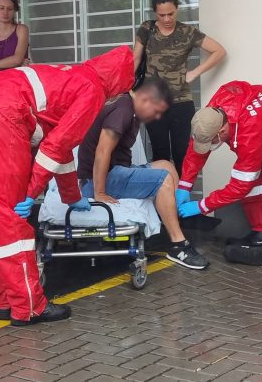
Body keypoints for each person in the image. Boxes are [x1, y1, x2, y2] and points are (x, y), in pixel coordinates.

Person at [0, 46, 134, 326]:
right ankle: (28, 306)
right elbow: (55, 147)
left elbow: (59, 148)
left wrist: (72, 196)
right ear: (118, 84)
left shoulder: (72, 75)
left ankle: (5, 298)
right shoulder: (93, 91)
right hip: (3, 115)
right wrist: (31, 192)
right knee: (11, 216)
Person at [176, 80, 262, 284]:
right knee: (250, 174)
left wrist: (201, 205)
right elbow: (197, 149)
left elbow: (241, 186)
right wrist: (184, 185)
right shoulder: (212, 114)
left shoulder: (251, 128)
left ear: (222, 132)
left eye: (211, 142)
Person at [77, 78, 211, 270]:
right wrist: (100, 192)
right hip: (97, 180)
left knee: (166, 166)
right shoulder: (123, 110)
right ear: (145, 99)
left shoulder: (128, 108)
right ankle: (178, 246)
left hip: (115, 172)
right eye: (156, 111)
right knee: (162, 180)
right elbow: (102, 151)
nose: (156, 117)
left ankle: (172, 224)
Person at [133, 0, 226, 176]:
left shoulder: (188, 32)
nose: (167, 19)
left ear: (177, 9)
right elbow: (135, 59)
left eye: (171, 13)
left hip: (181, 103)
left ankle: (179, 200)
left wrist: (195, 72)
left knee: (182, 155)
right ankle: (163, 201)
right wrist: (127, 90)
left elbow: (219, 51)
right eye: (161, 15)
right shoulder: (146, 29)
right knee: (160, 155)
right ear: (155, 13)